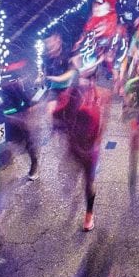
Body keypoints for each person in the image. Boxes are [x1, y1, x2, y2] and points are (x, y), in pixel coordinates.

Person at [53, 62, 109, 231]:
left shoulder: (102, 95)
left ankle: (89, 213)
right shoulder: (68, 96)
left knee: (89, 182)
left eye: (92, 77)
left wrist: (97, 143)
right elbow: (57, 119)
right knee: (70, 176)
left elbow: (104, 120)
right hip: (74, 147)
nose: (88, 81)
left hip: (90, 150)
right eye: (85, 76)